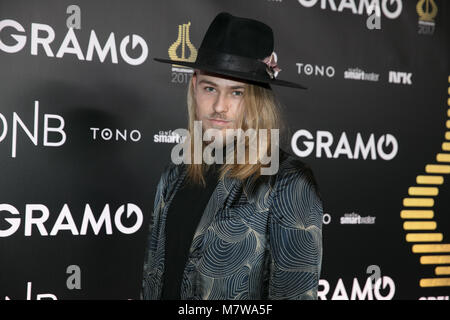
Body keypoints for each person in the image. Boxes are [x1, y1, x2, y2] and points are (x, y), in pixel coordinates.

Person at [141, 12, 323, 300]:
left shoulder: (288, 181)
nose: (219, 106)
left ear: (257, 98)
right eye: (210, 88)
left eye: (236, 93)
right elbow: (153, 280)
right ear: (194, 85)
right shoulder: (174, 175)